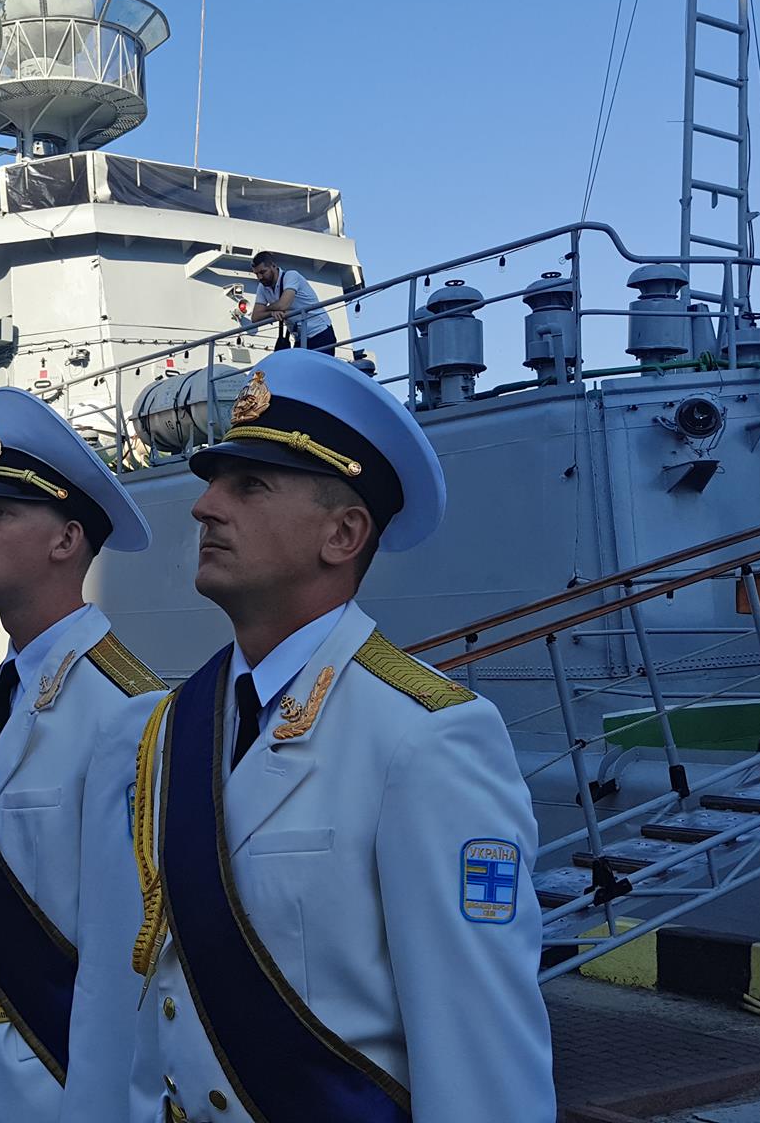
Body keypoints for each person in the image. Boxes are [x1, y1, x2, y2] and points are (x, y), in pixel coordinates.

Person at [120, 348, 556, 1122]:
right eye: (214, 481)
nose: (204, 506)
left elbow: (480, 1059)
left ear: (344, 534)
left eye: (248, 485)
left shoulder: (426, 739)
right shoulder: (179, 723)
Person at [0, 387, 165, 1123]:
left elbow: (132, 967)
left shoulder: (131, 711)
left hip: (53, 1088)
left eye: (1, 513)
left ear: (66, 540)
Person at [250, 251, 339, 354]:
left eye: (262, 272)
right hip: (300, 339)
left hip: (320, 333)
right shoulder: (263, 287)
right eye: (256, 274)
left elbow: (283, 304)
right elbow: (255, 317)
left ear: (273, 266)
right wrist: (271, 313)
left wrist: (265, 309)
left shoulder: (291, 276)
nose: (260, 277)